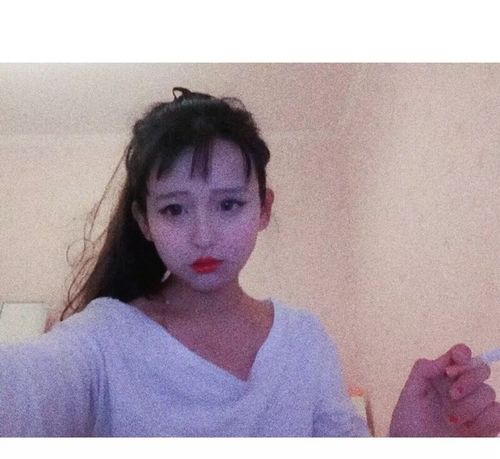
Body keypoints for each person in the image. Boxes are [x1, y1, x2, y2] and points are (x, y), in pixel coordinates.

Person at [0, 88, 498, 437]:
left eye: (228, 204)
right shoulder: (102, 338)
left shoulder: (304, 340)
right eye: (174, 209)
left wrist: (411, 451)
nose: (203, 235)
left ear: (263, 208)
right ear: (144, 221)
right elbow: (25, 388)